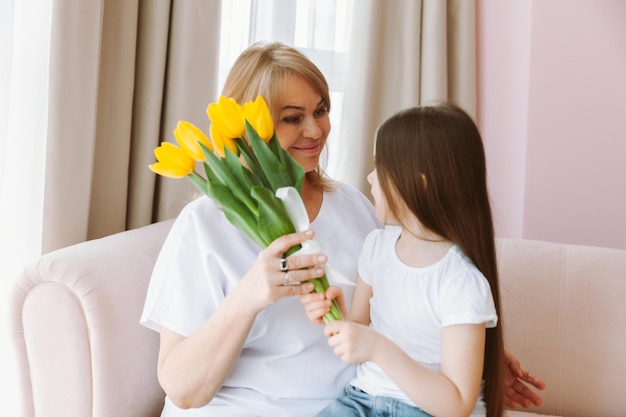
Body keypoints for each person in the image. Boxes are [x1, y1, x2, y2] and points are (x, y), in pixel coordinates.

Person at [141, 42, 544, 416]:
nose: (316, 130)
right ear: (250, 131)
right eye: (292, 118)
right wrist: (249, 296)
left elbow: (408, 301)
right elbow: (182, 389)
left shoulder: (353, 207)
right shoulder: (204, 226)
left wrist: (476, 359)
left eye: (320, 110)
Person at [302, 104, 509, 417]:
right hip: (361, 400)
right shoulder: (376, 247)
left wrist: (377, 347)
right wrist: (336, 317)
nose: (370, 178)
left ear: (418, 184)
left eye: (381, 167)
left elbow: (456, 404)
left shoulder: (460, 282)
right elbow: (359, 330)